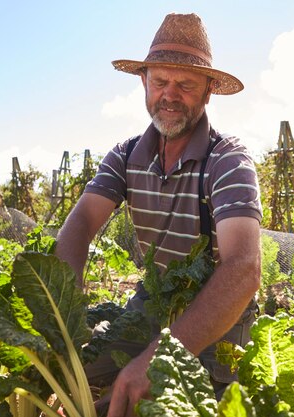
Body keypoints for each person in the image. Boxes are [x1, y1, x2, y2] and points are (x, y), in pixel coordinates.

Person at [55, 12, 262, 417]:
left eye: (185, 85)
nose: (169, 95)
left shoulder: (227, 160)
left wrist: (159, 358)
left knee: (171, 402)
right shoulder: (127, 155)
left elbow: (243, 268)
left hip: (216, 312)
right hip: (153, 300)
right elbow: (79, 224)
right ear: (143, 82)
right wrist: (63, 301)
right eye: (160, 81)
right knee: (67, 366)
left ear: (207, 93)